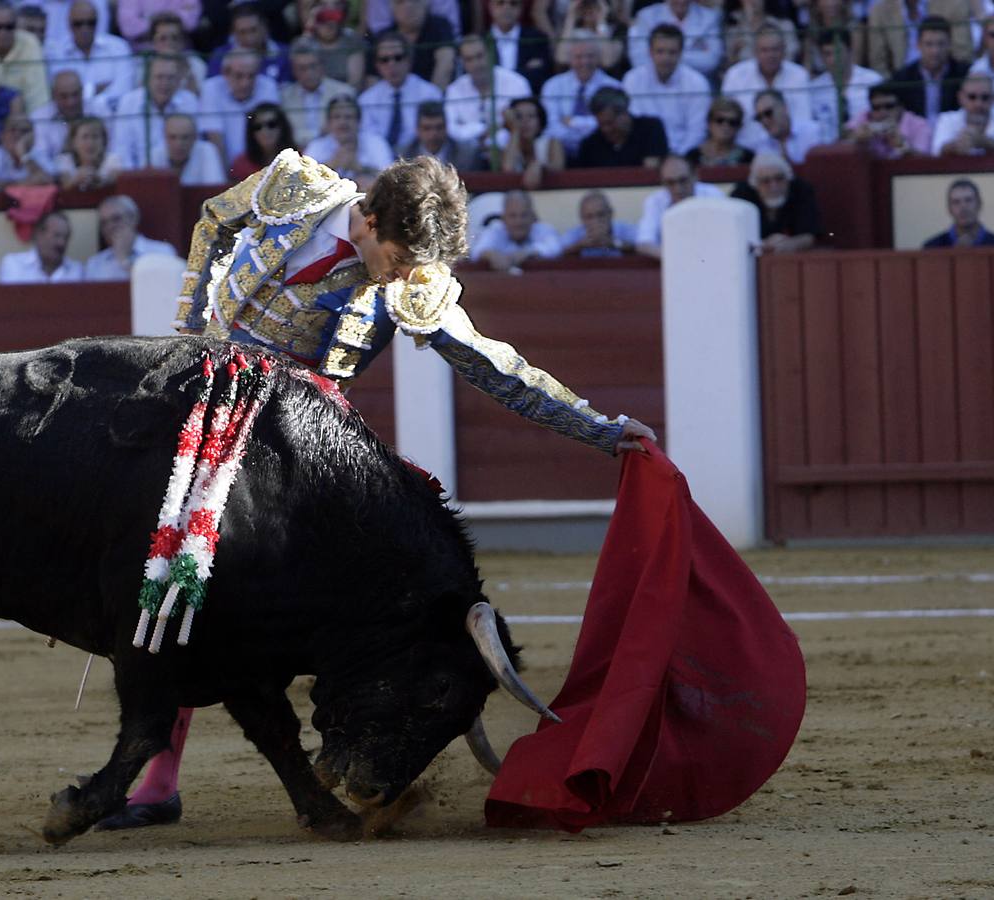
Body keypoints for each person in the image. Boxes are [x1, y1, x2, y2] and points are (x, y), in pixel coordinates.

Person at [98, 149, 654, 832]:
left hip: (291, 448)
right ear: (369, 220)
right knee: (168, 580)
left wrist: (602, 429)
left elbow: (492, 366)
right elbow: (214, 222)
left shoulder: (406, 283)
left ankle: (372, 739)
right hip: (198, 415)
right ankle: (160, 781)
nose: (406, 276)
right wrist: (188, 335)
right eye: (400, 257)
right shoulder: (294, 187)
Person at [621, 24, 711, 156]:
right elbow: (632, 125)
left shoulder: (697, 83)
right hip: (643, 156)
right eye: (660, 51)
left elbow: (697, 131)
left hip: (685, 157)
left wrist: (677, 158)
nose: (666, 58)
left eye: (672, 52)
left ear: (681, 53)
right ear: (650, 52)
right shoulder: (632, 80)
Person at [721, 23, 812, 149]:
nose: (770, 55)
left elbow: (803, 120)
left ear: (784, 50)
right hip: (746, 150)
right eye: (764, 50)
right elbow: (727, 117)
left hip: (789, 147)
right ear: (755, 52)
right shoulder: (735, 75)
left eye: (775, 49)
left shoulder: (799, 75)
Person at [112, 53, 201, 169]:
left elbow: (193, 145)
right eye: (159, 77)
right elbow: (122, 151)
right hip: (140, 176)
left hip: (180, 173)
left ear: (179, 80)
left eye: (170, 78)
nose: (165, 83)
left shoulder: (189, 101)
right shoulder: (129, 102)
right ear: (148, 79)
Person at [358, 33, 443, 153]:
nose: (391, 64)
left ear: (409, 60)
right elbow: (368, 138)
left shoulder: (430, 94)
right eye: (384, 60)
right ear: (377, 65)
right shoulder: (366, 100)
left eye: (398, 58)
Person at [444, 34, 531, 148]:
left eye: (480, 56)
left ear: (490, 54)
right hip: (469, 153)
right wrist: (486, 130)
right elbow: (451, 129)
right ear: (463, 63)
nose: (476, 64)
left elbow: (525, 123)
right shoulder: (454, 90)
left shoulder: (517, 83)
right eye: (469, 59)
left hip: (510, 149)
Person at [540, 37, 621, 158]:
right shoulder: (553, 85)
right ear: (570, 59)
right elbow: (552, 124)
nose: (585, 62)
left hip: (601, 145)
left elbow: (610, 124)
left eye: (590, 56)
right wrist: (575, 136)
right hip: (562, 146)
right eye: (578, 57)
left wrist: (573, 122)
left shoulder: (613, 86)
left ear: (598, 58)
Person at [43, 0, 135, 105]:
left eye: (91, 23)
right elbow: (61, 94)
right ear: (69, 25)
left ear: (97, 23)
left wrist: (83, 95)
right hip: (74, 119)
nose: (85, 29)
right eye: (78, 24)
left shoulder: (118, 47)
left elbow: (123, 91)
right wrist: (93, 89)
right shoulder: (57, 52)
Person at [200, 49, 281, 166]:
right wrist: (228, 179)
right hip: (225, 166)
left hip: (259, 166)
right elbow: (214, 136)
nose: (245, 83)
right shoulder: (211, 88)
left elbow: (271, 135)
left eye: (251, 76)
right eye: (239, 76)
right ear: (225, 73)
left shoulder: (268, 86)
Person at [730, 152, 822, 254]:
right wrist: (762, 244)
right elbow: (732, 237)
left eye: (779, 178)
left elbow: (810, 235)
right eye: (765, 181)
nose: (774, 186)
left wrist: (791, 243)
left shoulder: (801, 190)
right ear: (755, 184)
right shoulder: (741, 195)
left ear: (788, 178)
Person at [886, 17, 970, 127]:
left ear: (950, 44)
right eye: (929, 44)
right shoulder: (903, 78)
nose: (935, 51)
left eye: (941, 44)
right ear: (918, 45)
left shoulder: (964, 74)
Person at [634, 154, 722, 257]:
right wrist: (678, 258)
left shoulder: (713, 195)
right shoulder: (655, 201)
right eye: (670, 182)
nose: (678, 189)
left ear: (695, 175)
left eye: (683, 180)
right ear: (662, 182)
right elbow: (644, 243)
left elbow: (723, 238)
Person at [806, 28, 882, 143]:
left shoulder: (873, 81)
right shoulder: (814, 89)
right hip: (829, 151)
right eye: (827, 54)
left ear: (850, 51)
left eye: (838, 52)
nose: (833, 59)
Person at [303, 95, 394, 188]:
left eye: (348, 117)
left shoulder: (375, 142)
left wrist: (359, 168)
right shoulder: (316, 146)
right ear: (329, 122)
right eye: (337, 117)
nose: (342, 122)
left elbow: (389, 176)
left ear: (359, 122)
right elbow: (304, 179)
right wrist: (333, 164)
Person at [867, 0, 975, 76]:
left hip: (946, 83)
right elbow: (879, 64)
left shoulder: (954, 4)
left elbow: (962, 54)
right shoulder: (879, 10)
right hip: (900, 87)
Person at [83, 194, 177, 280]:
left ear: (133, 218)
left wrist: (124, 259)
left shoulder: (161, 251)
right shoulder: (95, 263)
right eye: (104, 223)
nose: (110, 227)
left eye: (116, 219)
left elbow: (163, 285)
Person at [279, 46, 354, 148]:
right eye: (302, 68)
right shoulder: (284, 96)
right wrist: (320, 134)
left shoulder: (344, 92)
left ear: (322, 66)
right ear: (294, 71)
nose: (309, 72)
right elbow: (287, 134)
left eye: (313, 66)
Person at [31, 69, 111, 165]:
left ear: (82, 91)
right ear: (53, 95)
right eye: (64, 96)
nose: (71, 102)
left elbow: (112, 149)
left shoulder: (100, 111)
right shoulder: (39, 118)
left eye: (75, 94)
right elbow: (41, 159)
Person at [575, 86, 668, 168]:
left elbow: (650, 170)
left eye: (609, 123)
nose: (605, 129)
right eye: (601, 124)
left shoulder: (650, 129)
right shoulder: (590, 146)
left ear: (624, 114)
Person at [471, 188, 564, 269]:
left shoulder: (543, 229)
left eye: (523, 215)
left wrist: (527, 253)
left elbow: (555, 248)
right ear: (504, 218)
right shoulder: (496, 230)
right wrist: (492, 256)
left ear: (533, 217)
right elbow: (477, 251)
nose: (518, 222)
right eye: (513, 216)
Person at [626, 0, 722, 78]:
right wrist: (688, 54)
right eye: (660, 51)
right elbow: (639, 60)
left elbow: (711, 61)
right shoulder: (646, 16)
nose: (681, 1)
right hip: (651, 83)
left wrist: (663, 56)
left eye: (673, 52)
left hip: (696, 84)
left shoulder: (710, 17)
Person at [206, 2, 289, 85]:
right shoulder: (220, 56)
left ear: (264, 27)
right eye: (243, 32)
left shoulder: (284, 53)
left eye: (253, 30)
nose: (249, 38)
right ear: (233, 33)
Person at [291, 0, 367, 90]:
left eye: (333, 19)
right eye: (323, 20)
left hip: (344, 98)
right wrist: (311, 24)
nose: (329, 25)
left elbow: (354, 84)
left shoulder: (352, 40)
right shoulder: (303, 43)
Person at [843, 82, 931, 158]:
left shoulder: (919, 125)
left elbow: (924, 161)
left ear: (901, 107)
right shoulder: (864, 118)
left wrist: (902, 146)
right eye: (876, 108)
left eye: (889, 106)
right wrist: (856, 140)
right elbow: (841, 142)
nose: (883, 112)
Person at [0, 209, 83, 283]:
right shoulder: (14, 264)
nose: (62, 243)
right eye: (57, 236)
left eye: (66, 237)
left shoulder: (76, 270)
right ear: (39, 235)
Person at [384, 0, 456, 89]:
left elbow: (446, 66)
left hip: (431, 97)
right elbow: (373, 77)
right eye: (400, 2)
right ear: (392, 8)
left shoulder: (440, 26)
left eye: (415, 1)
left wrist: (432, 99)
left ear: (426, 3)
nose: (408, 6)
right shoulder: (384, 37)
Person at [0, 114, 54, 189]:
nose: (17, 135)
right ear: (1, 136)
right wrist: (18, 184)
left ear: (34, 136)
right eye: (12, 130)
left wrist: (23, 155)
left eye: (24, 131)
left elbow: (48, 179)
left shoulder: (41, 154)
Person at [487, 0, 552, 94]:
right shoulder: (481, 41)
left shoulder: (537, 39)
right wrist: (525, 70)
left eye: (513, 3)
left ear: (521, 8)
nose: (506, 8)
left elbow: (541, 76)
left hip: (526, 99)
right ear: (491, 7)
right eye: (500, 3)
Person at [501, 96, 565, 189]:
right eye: (518, 117)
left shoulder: (552, 142)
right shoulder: (507, 145)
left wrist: (540, 166)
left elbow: (558, 168)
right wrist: (514, 130)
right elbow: (508, 169)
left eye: (531, 116)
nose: (525, 121)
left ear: (540, 121)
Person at [399, 101, 480, 169]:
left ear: (446, 127)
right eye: (427, 128)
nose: (434, 134)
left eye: (439, 127)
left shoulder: (466, 155)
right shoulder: (404, 157)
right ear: (417, 130)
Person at [749, 89, 822, 164]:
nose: (764, 121)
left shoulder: (814, 132)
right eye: (759, 117)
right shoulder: (762, 146)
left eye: (768, 113)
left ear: (785, 108)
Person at [152, 112, 225, 185]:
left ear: (195, 137)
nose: (179, 143)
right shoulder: (155, 153)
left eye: (185, 137)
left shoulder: (207, 150)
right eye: (173, 137)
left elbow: (215, 188)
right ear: (164, 136)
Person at [930, 73, 994, 156]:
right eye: (972, 97)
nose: (978, 104)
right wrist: (956, 146)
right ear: (961, 97)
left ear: (992, 99)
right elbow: (936, 151)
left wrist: (983, 142)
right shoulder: (947, 119)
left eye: (985, 97)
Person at [723, 0, 799, 68]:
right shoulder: (733, 28)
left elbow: (790, 58)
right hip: (744, 80)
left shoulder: (784, 25)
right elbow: (729, 64)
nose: (753, 1)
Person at [228, 103, 295, 180]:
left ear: (283, 127)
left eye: (271, 124)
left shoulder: (299, 159)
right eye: (258, 127)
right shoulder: (241, 164)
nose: (265, 131)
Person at [561, 189, 635, 257]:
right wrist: (580, 245)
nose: (596, 221)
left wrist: (612, 243)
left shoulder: (625, 230)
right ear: (582, 218)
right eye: (589, 217)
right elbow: (558, 251)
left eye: (601, 215)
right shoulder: (575, 234)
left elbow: (640, 246)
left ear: (610, 213)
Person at [922, 178, 994, 247]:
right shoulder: (932, 247)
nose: (963, 207)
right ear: (949, 209)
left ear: (979, 204)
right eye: (956, 202)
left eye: (968, 200)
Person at [53, 115, 119, 190]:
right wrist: (76, 180)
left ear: (104, 141)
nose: (90, 143)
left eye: (95, 137)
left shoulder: (112, 160)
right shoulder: (63, 161)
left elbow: (113, 180)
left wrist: (99, 179)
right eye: (85, 137)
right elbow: (64, 186)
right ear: (73, 142)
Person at [686, 96, 753, 166]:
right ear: (709, 123)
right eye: (719, 120)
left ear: (739, 127)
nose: (725, 126)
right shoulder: (692, 157)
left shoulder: (748, 159)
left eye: (732, 122)